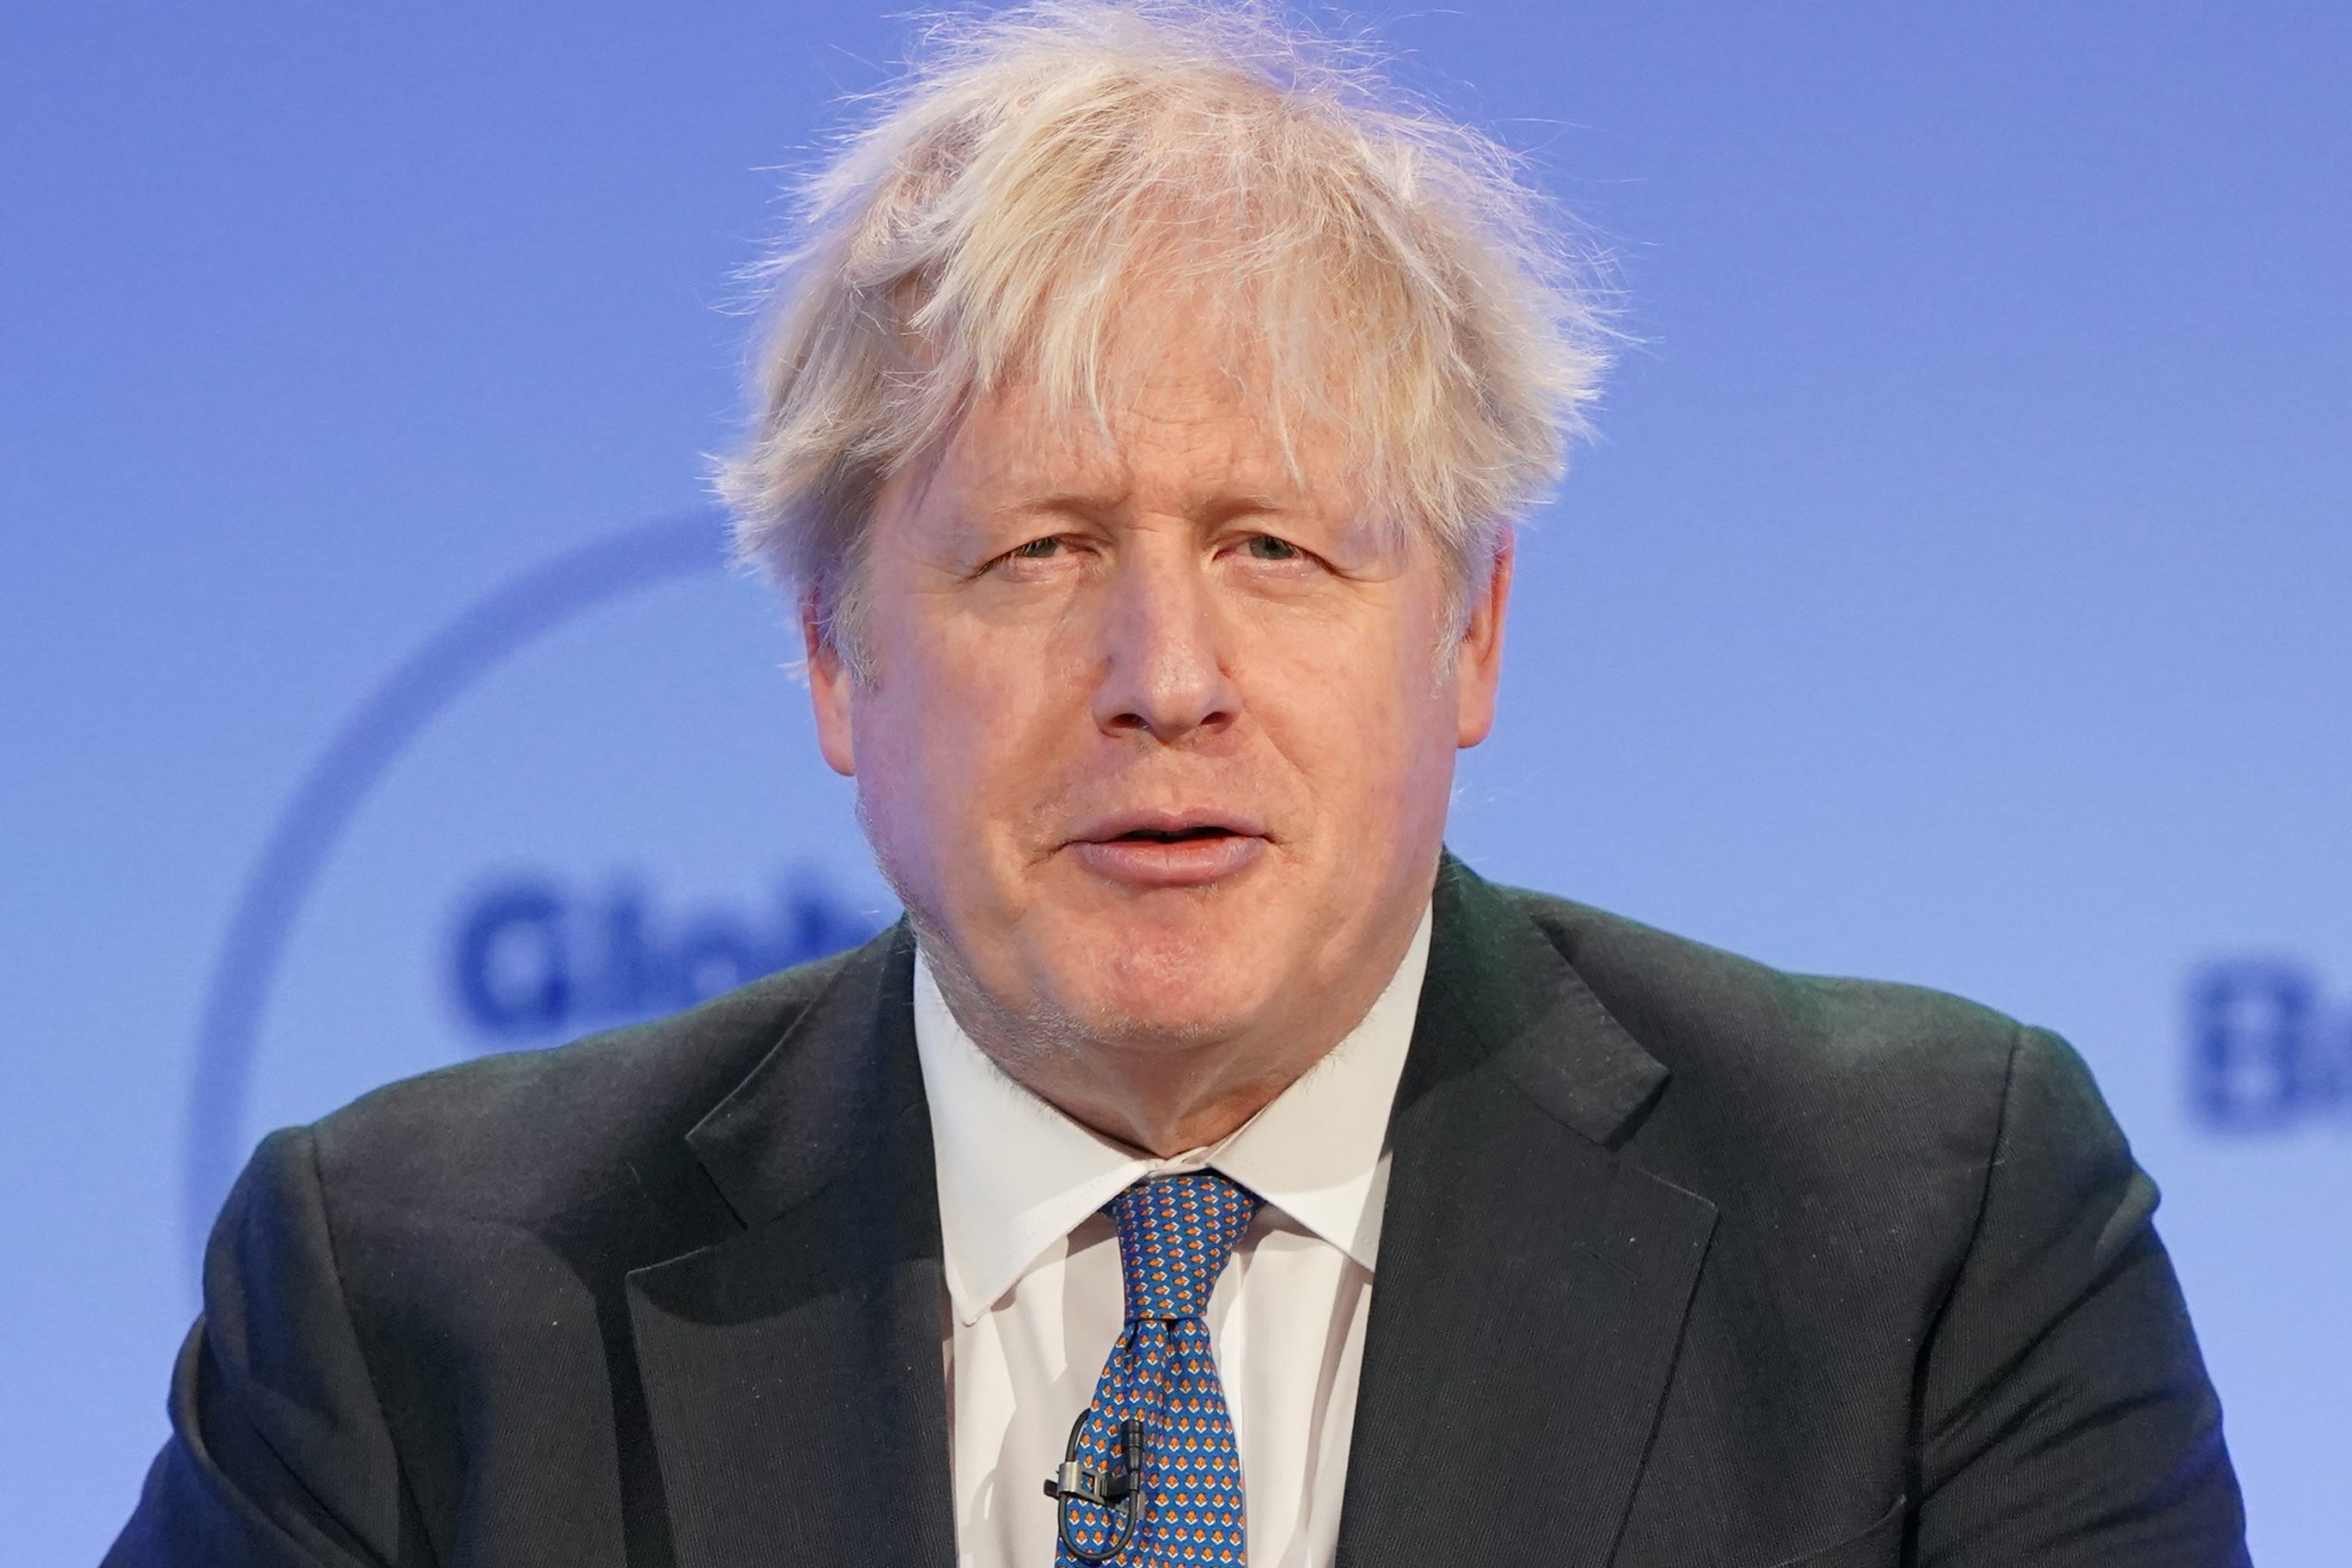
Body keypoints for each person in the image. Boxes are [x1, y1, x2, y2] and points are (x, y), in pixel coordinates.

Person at [109, 3, 2248, 1565]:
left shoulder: (1925, 1235)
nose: (1166, 680)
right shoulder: (416, 1303)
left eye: (1276, 549)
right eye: (1038, 552)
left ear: (1473, 636)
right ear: (836, 655)